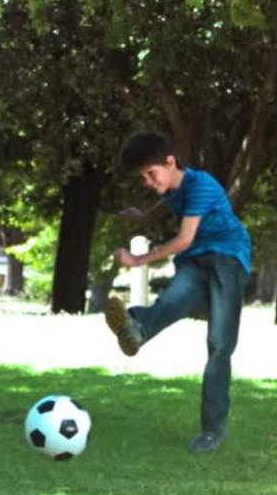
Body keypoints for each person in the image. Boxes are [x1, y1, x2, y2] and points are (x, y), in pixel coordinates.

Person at [105, 131, 251, 454]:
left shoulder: (202, 185)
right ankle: (137, 329)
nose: (148, 181)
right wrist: (143, 216)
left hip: (228, 258)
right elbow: (167, 201)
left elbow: (184, 239)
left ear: (170, 162)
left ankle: (211, 432)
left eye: (151, 174)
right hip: (197, 262)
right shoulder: (173, 188)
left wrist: (139, 259)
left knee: (219, 345)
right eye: (143, 177)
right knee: (173, 300)